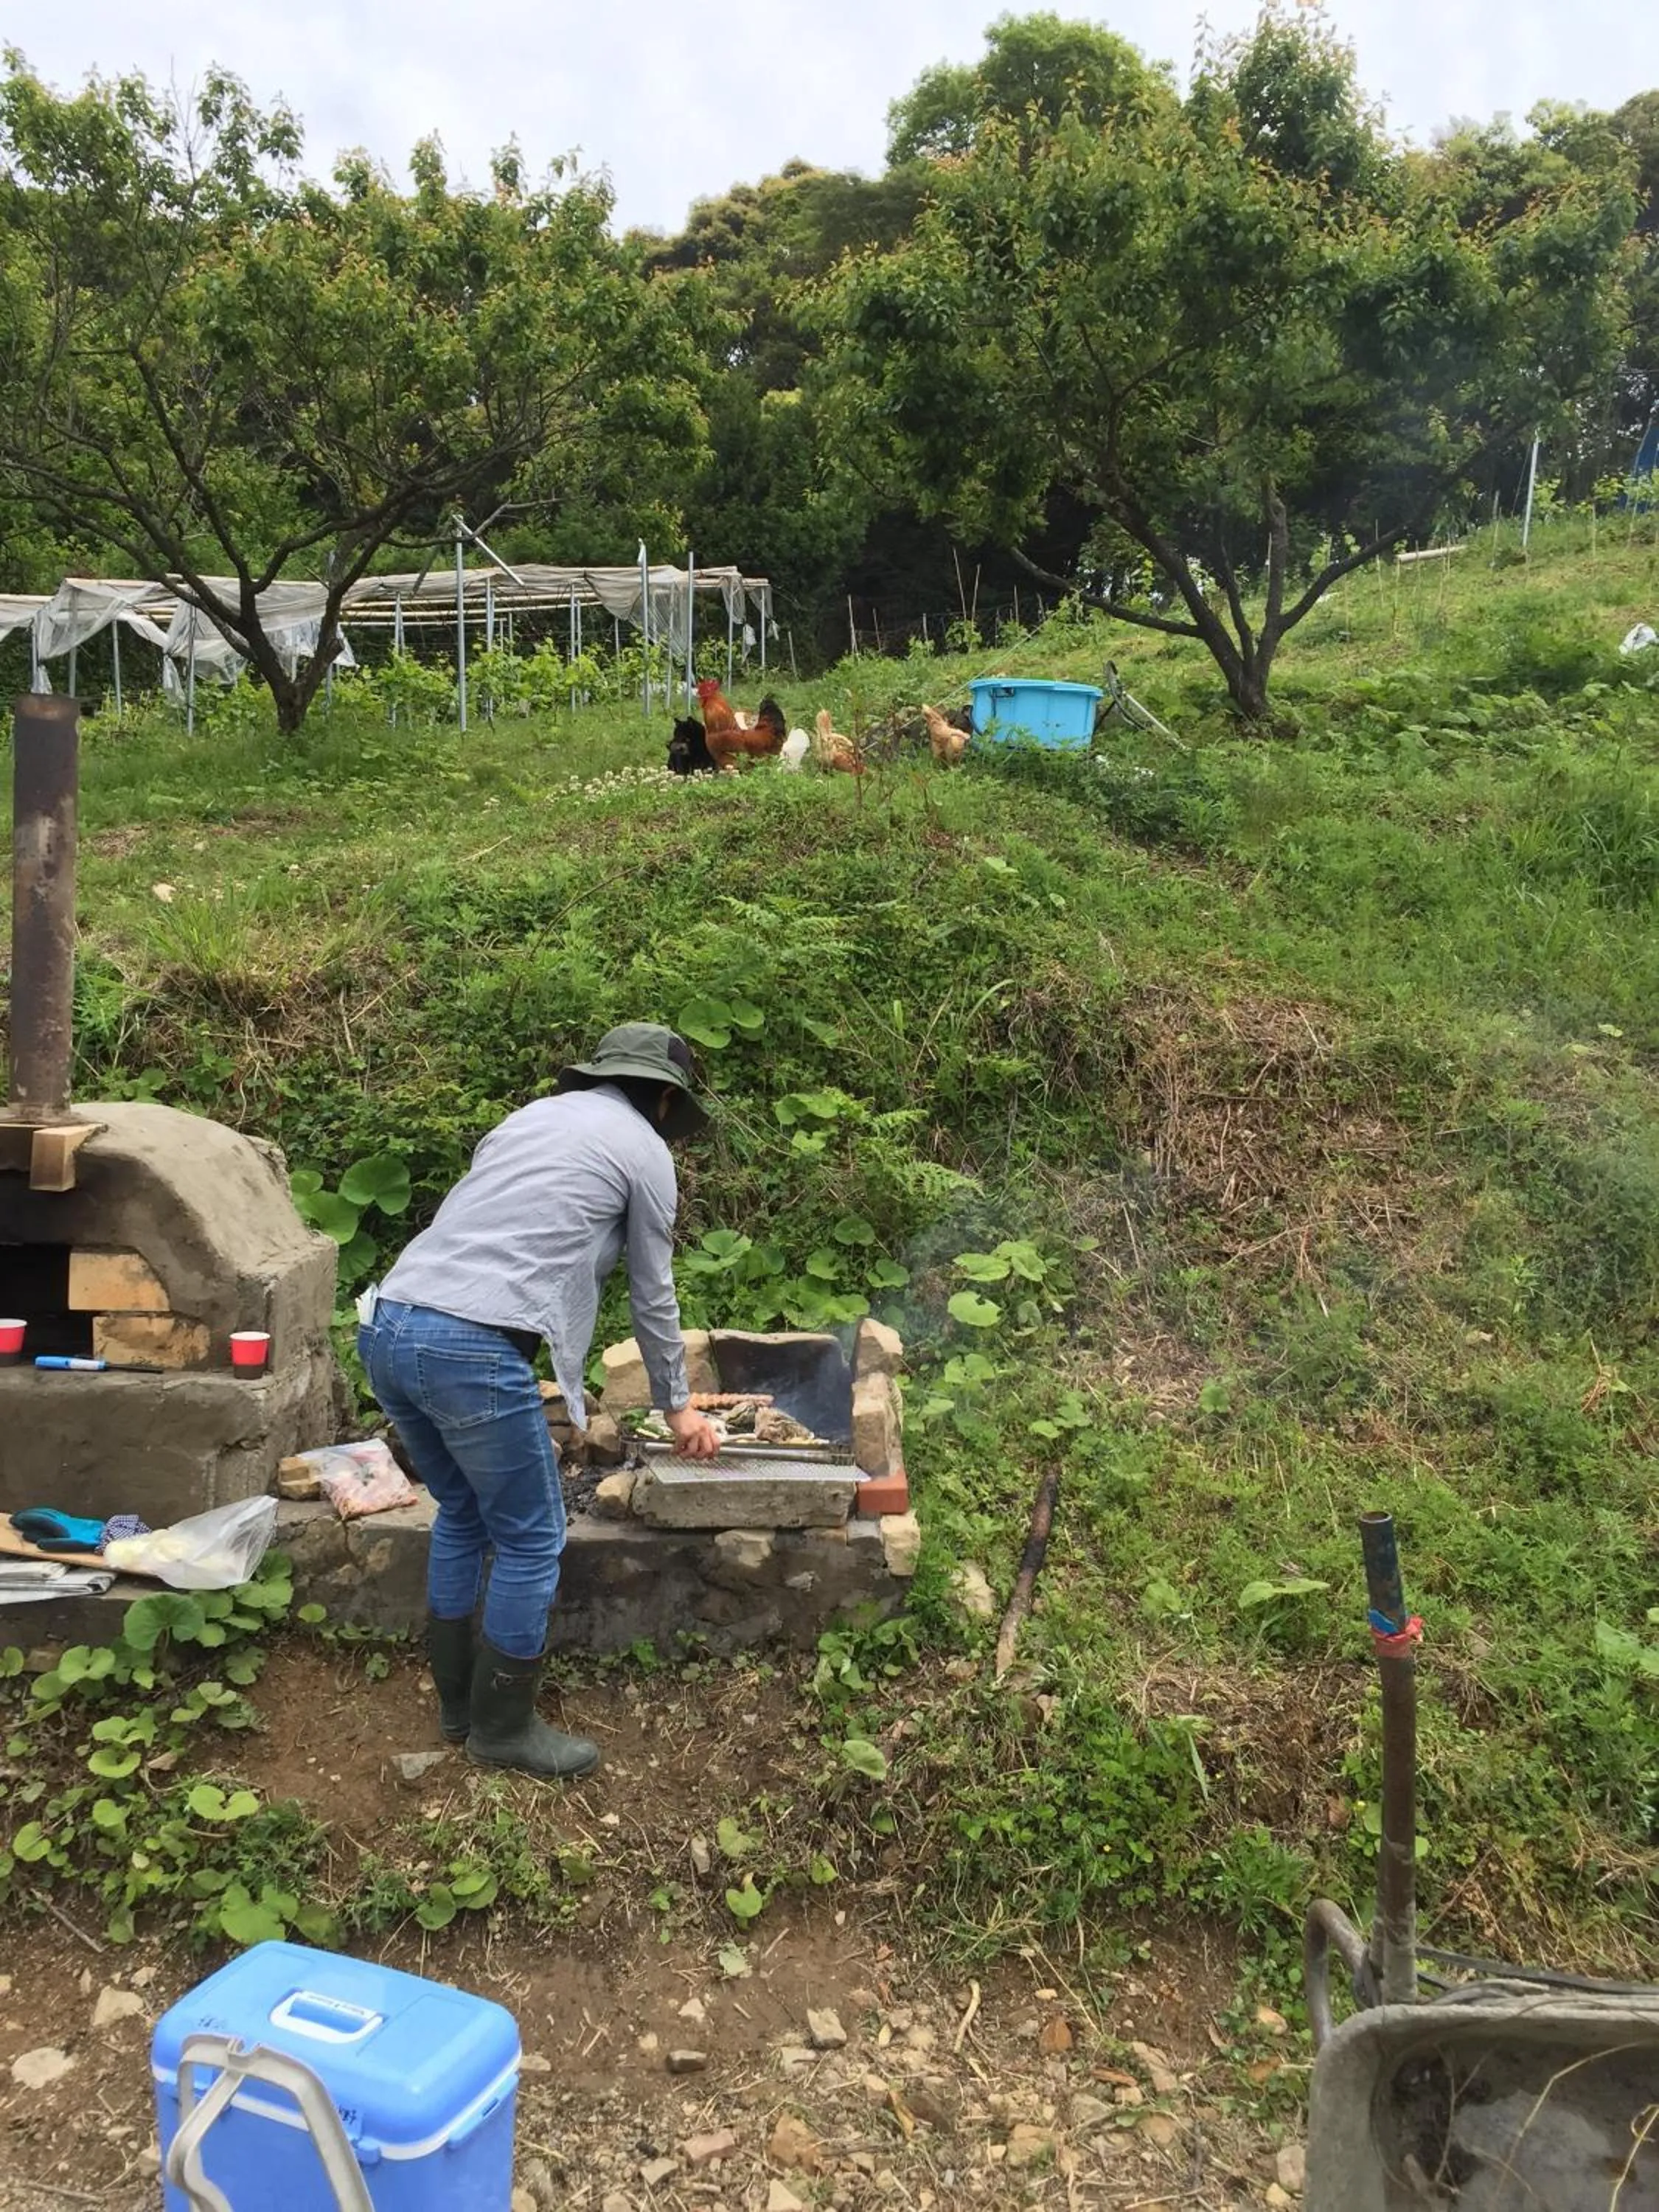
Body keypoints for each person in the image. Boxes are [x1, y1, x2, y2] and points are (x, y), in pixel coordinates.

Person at [358, 1023, 721, 1781]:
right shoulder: (645, 1149)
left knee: (462, 1513)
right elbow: (653, 1294)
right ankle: (503, 1729)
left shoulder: (527, 1120)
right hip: (469, 1346)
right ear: (664, 1098)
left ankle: (459, 1710)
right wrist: (679, 1405)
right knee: (531, 1538)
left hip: (388, 1323)